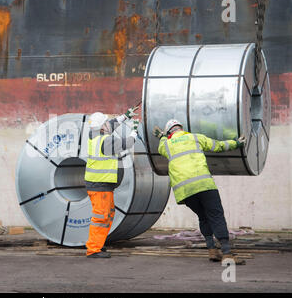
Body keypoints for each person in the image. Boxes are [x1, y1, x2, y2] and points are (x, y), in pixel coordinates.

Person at [153, 119, 247, 265]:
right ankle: (227, 253)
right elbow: (219, 146)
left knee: (203, 217)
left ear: (169, 132)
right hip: (204, 185)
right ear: (181, 129)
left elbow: (162, 144)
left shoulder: (166, 144)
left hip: (185, 191)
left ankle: (212, 250)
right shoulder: (195, 137)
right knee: (216, 215)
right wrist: (236, 142)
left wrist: (162, 136)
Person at [84, 106, 139, 258]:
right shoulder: (106, 141)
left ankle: (98, 244)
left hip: (100, 185)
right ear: (102, 126)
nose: (109, 123)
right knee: (101, 217)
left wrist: (125, 117)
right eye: (106, 122)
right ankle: (93, 249)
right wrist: (134, 131)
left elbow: (110, 125)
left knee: (107, 215)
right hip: (99, 186)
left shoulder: (93, 135)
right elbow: (127, 144)